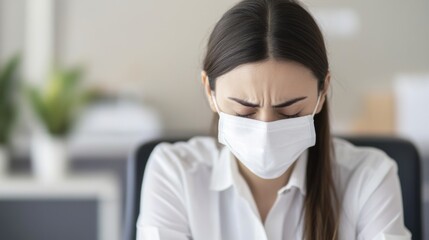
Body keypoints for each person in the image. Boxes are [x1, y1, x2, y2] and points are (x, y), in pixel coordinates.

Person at [136, 0, 411, 239]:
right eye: (244, 111)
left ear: (323, 90)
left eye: (289, 111)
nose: (265, 129)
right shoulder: (175, 174)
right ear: (210, 91)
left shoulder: (369, 178)